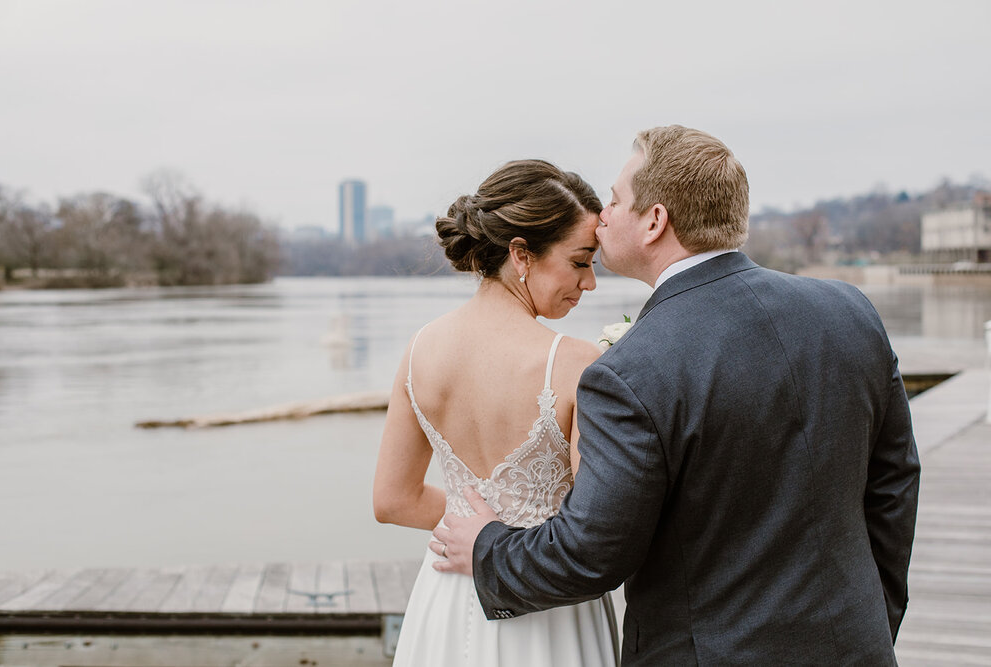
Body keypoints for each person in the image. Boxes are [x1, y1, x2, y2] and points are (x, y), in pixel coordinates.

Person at [434, 125, 921, 665]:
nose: (603, 216)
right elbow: (893, 485)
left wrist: (486, 548)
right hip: (857, 647)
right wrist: (875, 617)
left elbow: (592, 554)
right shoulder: (850, 312)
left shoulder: (629, 371)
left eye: (616, 200)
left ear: (655, 221)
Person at [373, 159, 620, 666]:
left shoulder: (420, 350)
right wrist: (508, 534)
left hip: (446, 598)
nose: (590, 282)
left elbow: (393, 500)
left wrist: (476, 525)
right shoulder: (573, 363)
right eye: (580, 261)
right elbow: (598, 526)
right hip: (548, 611)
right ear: (521, 254)